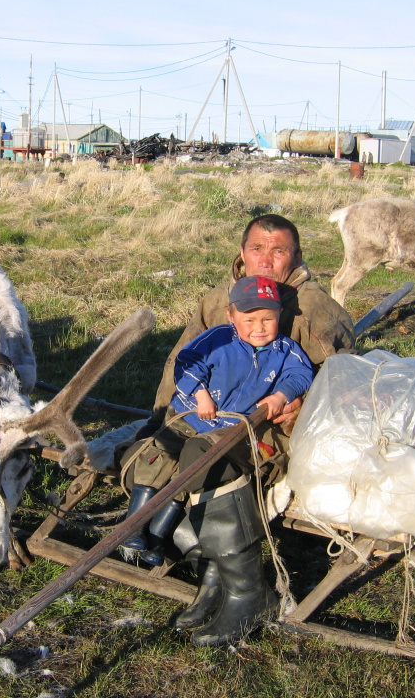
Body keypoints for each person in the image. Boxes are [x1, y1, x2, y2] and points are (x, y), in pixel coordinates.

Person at [123, 213, 355, 647]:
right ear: (242, 253)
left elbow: (341, 381)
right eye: (257, 249)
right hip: (210, 415)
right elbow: (181, 365)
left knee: (206, 457)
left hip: (276, 428)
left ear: (297, 256)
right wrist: (162, 419)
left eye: (279, 251)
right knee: (167, 451)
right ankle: (213, 580)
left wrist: (299, 402)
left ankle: (248, 592)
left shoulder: (313, 309)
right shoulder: (218, 302)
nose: (266, 259)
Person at [121, 275, 314, 568]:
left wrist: (281, 395)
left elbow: (301, 374)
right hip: (188, 416)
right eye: (249, 320)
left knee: (185, 477)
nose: (259, 328)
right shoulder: (219, 338)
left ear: (279, 316)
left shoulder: (285, 350)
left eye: (267, 319)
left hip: (223, 428)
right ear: (231, 315)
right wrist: (201, 394)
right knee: (157, 460)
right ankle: (133, 526)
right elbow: (187, 362)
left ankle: (158, 537)